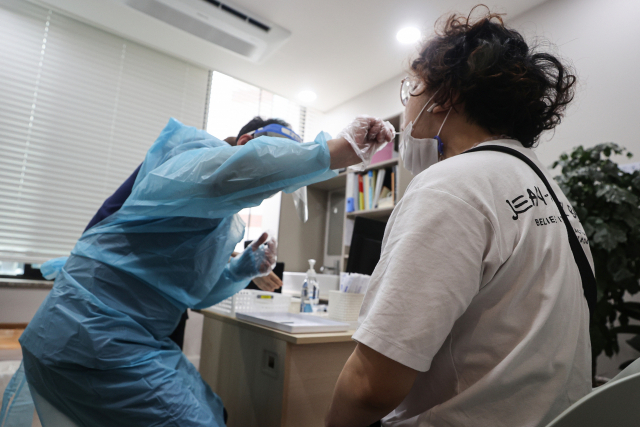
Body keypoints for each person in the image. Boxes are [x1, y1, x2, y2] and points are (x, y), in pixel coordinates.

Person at [5, 114, 394, 427]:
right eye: (280, 154)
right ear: (247, 141)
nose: (279, 173)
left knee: (214, 411)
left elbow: (193, 295)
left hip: (119, 340)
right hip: (91, 339)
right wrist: (332, 152)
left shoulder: (216, 220)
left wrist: (240, 270)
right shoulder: (193, 157)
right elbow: (234, 172)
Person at [326, 8, 592, 427]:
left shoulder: (451, 185)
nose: (407, 107)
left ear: (444, 97)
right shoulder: (548, 190)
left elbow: (370, 385)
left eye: (413, 88)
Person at [81, 117, 293, 349]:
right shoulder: (198, 168)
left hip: (156, 301)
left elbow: (185, 251)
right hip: (114, 295)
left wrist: (239, 268)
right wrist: (236, 268)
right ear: (245, 142)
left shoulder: (222, 192)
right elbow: (161, 243)